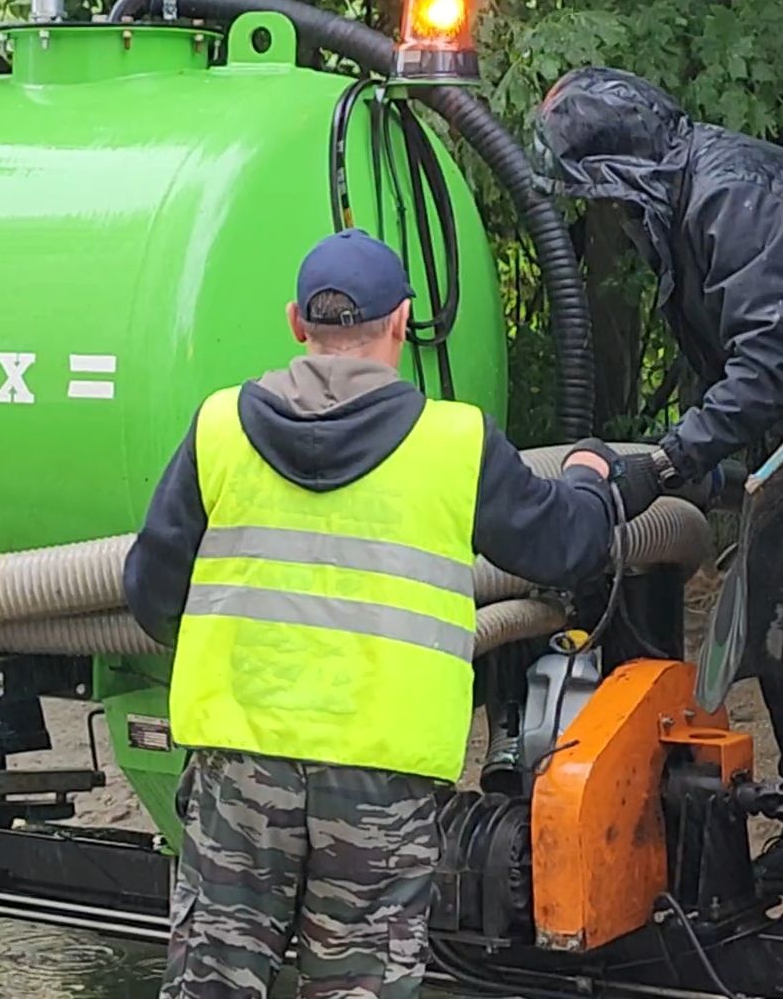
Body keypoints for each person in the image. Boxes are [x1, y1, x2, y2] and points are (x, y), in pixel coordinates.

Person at [123, 228, 657, 999]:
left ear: (296, 323)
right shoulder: (454, 442)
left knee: (214, 983)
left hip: (239, 770)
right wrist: (593, 477)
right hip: (381, 776)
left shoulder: (219, 428)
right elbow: (564, 548)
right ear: (403, 321)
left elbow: (150, 592)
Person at [530, 67, 783, 778]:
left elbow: (767, 369)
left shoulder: (735, 198)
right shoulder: (697, 191)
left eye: (599, 194)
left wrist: (665, 463)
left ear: (621, 171)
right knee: (782, 621)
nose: (605, 212)